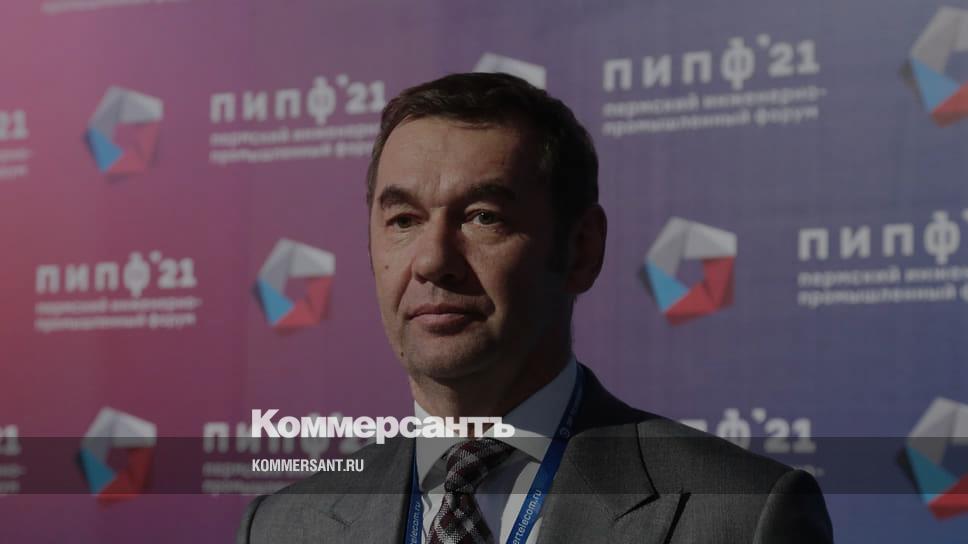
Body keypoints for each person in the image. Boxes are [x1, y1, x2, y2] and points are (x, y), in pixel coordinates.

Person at [236, 72, 833, 543]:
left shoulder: (741, 515)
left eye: (483, 217)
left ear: (581, 249)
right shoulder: (281, 528)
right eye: (404, 220)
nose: (433, 260)